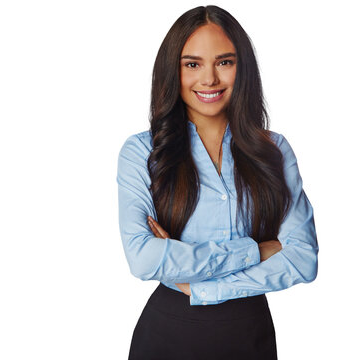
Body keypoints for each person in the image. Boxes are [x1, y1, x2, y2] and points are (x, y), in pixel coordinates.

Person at [116, 5, 318, 360]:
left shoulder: (274, 150)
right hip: (167, 333)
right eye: (192, 64)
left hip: (249, 336)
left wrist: (197, 283)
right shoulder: (142, 152)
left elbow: (303, 259)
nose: (209, 79)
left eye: (224, 62)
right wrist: (257, 249)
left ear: (243, 69)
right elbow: (144, 259)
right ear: (173, 70)